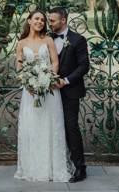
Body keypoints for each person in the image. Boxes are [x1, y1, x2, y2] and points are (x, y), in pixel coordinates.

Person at [14, 10, 74, 182]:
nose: (40, 22)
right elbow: (19, 68)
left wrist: (46, 79)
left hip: (49, 90)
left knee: (50, 125)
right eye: (37, 19)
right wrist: (29, 83)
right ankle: (33, 167)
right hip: (30, 91)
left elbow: (55, 62)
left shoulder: (48, 40)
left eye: (42, 20)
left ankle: (53, 167)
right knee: (33, 126)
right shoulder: (21, 43)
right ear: (29, 21)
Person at [48, 6, 90, 183]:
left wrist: (65, 80)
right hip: (47, 92)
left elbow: (83, 66)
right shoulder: (47, 38)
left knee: (71, 127)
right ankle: (53, 164)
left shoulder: (77, 40)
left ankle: (80, 167)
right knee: (49, 127)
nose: (49, 23)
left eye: (52, 20)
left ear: (63, 20)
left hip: (70, 91)